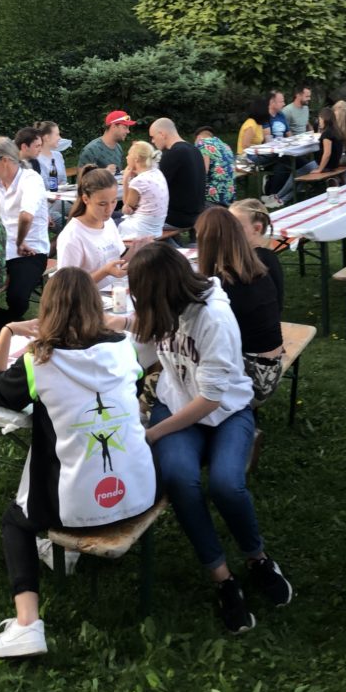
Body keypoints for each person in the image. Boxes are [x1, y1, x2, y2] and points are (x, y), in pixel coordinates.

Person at [0, 270, 155, 659]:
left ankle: (27, 624)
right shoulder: (124, 348)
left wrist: (7, 332)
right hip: (140, 490)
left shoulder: (39, 361)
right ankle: (63, 560)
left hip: (77, 506)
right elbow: (135, 388)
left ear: (48, 308)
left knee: (15, 520)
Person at [123, 240, 293, 633]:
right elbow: (139, 345)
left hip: (226, 409)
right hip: (176, 402)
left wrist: (153, 433)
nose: (138, 303)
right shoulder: (163, 307)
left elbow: (211, 398)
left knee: (226, 484)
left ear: (160, 291)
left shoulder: (213, 317)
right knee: (180, 478)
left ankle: (257, 558)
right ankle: (223, 578)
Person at [195, 208, 287, 399]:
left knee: (175, 355)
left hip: (257, 376)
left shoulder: (223, 284)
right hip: (271, 363)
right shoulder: (255, 267)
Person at [0, 137, 50, 327]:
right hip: (1, 247)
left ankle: (6, 325)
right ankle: (7, 325)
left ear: (4, 160)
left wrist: (20, 242)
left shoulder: (31, 180)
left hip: (31, 250)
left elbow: (26, 216)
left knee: (17, 298)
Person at [53, 168, 127, 290]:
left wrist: (137, 249)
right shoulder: (72, 235)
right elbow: (67, 285)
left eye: (113, 201)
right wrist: (104, 272)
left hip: (115, 294)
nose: (109, 209)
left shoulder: (108, 223)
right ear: (86, 199)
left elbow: (118, 260)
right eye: (102, 204)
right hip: (87, 299)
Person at [151, 118, 208, 237]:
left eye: (153, 137)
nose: (152, 141)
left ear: (162, 134)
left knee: (130, 220)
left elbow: (155, 189)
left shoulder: (173, 154)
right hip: (197, 213)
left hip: (177, 218)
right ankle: (174, 245)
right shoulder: (195, 150)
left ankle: (170, 247)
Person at [120, 140, 169, 241]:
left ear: (136, 159)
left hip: (140, 230)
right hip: (156, 227)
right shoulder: (157, 172)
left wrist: (125, 180)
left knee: (108, 222)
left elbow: (127, 210)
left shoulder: (139, 181)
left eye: (129, 154)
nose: (126, 157)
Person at [194, 124, 238, 213]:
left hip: (211, 199)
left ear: (198, 137)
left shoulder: (202, 143)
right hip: (228, 198)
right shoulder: (226, 146)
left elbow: (202, 173)